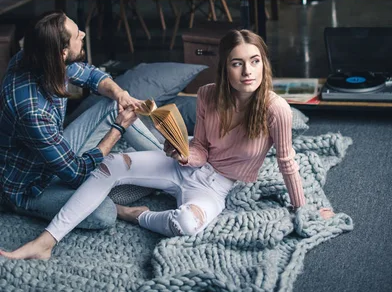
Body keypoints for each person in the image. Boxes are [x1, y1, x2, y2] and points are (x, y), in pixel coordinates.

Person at [0, 28, 333, 260]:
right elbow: (201, 146)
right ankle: (45, 242)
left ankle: (135, 213)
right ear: (225, 67)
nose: (248, 71)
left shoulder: (276, 110)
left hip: (215, 188)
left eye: (255, 61)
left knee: (187, 224)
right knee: (111, 164)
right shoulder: (207, 95)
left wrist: (300, 207)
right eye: (237, 63)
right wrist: (184, 153)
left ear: (264, 63)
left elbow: (288, 162)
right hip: (183, 164)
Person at [0, 10, 161, 232]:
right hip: (30, 187)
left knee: (115, 103)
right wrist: (117, 130)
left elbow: (90, 75)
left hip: (54, 153)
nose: (84, 35)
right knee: (104, 214)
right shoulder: (32, 111)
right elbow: (76, 174)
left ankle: (172, 160)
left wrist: (120, 93)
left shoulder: (42, 56)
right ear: (62, 53)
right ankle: (121, 203)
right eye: (77, 35)